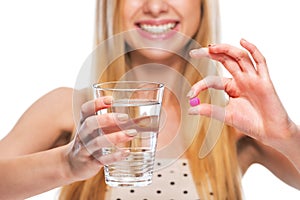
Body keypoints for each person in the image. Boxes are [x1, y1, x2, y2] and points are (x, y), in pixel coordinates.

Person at [0, 0, 299, 200]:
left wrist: (285, 133)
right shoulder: (67, 110)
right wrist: (67, 164)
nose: (155, 6)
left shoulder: (232, 122)